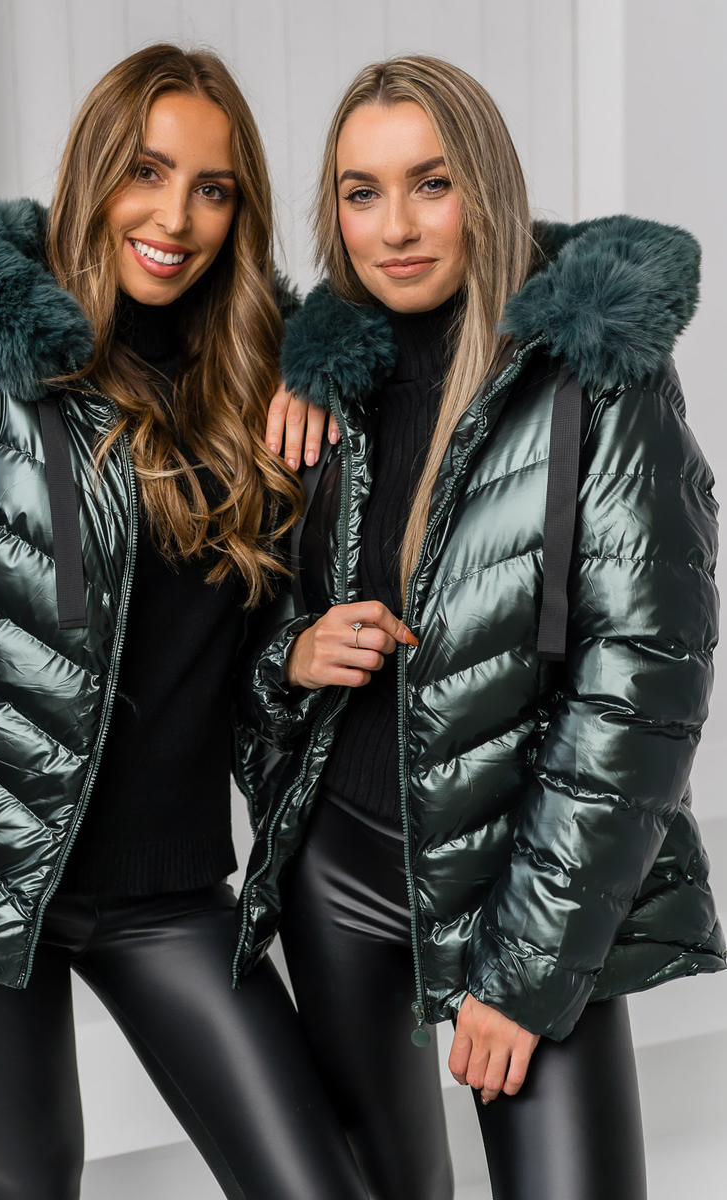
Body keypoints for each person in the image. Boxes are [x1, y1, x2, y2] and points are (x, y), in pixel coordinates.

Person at [0, 45, 369, 1200]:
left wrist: (296, 659)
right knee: (34, 1186)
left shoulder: (255, 388)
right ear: (93, 174)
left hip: (171, 893)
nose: (175, 217)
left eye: (211, 188)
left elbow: (234, 660)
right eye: (146, 172)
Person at [234, 54, 725, 1200]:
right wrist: (293, 657)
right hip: (339, 874)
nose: (396, 227)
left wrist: (527, 968)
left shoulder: (597, 376)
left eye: (432, 183)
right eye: (362, 192)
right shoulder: (319, 392)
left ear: (487, 187)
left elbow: (644, 683)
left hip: (524, 879)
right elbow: (238, 626)